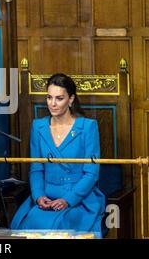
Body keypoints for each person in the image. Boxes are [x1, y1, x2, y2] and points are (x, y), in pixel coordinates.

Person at [10, 73, 105, 236]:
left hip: (79, 199)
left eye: (59, 98)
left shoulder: (87, 127)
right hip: (45, 198)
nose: (52, 104)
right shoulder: (38, 126)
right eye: (49, 97)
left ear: (71, 99)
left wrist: (68, 200)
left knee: (59, 227)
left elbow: (91, 173)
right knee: (26, 226)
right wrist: (39, 196)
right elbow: (36, 169)